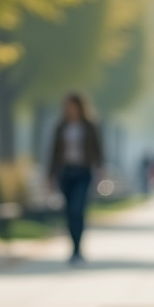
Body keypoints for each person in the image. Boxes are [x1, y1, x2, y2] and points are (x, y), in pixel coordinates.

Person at [48, 93, 103, 265]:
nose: (70, 109)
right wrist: (50, 176)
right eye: (68, 106)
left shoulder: (89, 127)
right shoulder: (61, 127)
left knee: (77, 209)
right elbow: (54, 152)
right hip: (66, 173)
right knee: (69, 212)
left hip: (83, 172)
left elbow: (98, 150)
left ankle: (78, 249)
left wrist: (100, 170)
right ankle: (73, 248)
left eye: (73, 106)